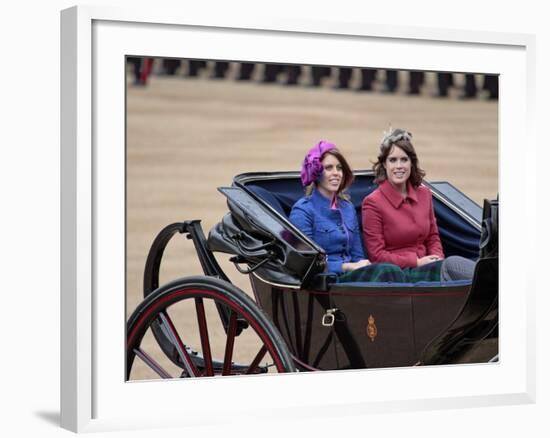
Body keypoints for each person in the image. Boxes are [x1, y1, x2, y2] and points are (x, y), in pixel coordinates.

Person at [362, 128, 475, 282]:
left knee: (455, 266)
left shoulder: (424, 194)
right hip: (400, 274)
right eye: (393, 160)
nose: (399, 166)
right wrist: (416, 262)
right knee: (453, 264)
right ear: (384, 164)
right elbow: (376, 255)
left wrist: (436, 258)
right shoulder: (373, 202)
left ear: (412, 162)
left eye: (404, 159)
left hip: (430, 266)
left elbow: (433, 237)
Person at [289, 141, 407, 283]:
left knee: (392, 270)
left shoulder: (347, 208)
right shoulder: (303, 210)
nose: (336, 173)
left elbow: (358, 255)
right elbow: (306, 263)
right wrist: (347, 266)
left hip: (353, 278)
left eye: (339, 168)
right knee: (388, 271)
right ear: (316, 173)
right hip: (327, 281)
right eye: (328, 168)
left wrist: (362, 266)